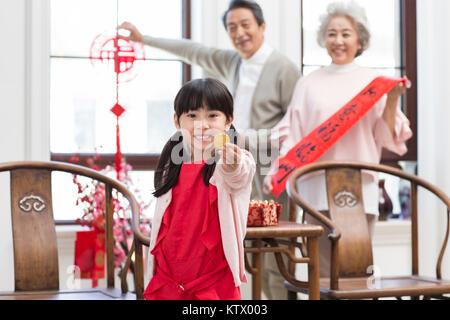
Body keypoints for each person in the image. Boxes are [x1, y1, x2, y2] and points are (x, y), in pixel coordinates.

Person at [120, 0, 299, 299]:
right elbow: (192, 50)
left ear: (262, 26)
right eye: (232, 27)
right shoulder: (233, 63)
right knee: (232, 246)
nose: (239, 32)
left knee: (271, 258)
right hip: (222, 161)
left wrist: (240, 140)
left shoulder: (284, 69)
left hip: (267, 173)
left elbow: (295, 126)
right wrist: (143, 39)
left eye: (246, 25)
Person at [264, 1, 413, 277]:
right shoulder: (308, 83)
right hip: (315, 187)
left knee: (357, 271)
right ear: (324, 38)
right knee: (320, 275)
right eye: (332, 33)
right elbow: (293, 135)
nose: (338, 40)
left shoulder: (373, 82)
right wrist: (278, 171)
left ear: (360, 39)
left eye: (346, 33)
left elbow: (387, 137)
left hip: (359, 188)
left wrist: (391, 100)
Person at [144, 78, 256, 300]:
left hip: (213, 283)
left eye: (212, 115)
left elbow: (238, 174)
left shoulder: (233, 162)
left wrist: (232, 163)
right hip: (168, 279)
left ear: (228, 120)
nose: (202, 125)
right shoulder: (171, 165)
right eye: (192, 115)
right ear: (177, 121)